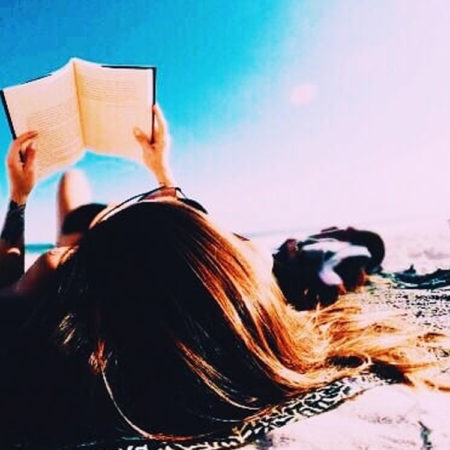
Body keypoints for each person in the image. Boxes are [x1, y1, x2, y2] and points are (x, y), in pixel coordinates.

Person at [0, 107, 449, 450]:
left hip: (106, 265)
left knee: (72, 184)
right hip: (122, 265)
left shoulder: (55, 284)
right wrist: (161, 172)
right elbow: (187, 262)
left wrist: (19, 199)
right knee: (77, 194)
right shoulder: (226, 304)